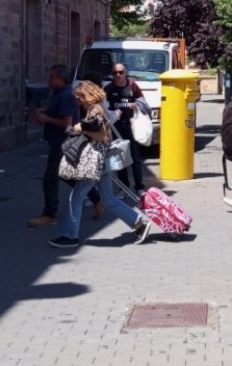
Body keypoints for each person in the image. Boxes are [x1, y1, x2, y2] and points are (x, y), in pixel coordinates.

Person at [49, 81, 151, 248]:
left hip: (95, 160)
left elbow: (101, 134)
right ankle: (139, 223)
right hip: (102, 159)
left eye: (79, 98)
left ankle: (70, 236)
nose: (78, 102)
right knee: (108, 199)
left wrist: (80, 127)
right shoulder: (100, 106)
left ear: (86, 96)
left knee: (76, 197)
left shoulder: (94, 109)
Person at [29, 64, 80, 227]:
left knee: (50, 179)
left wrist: (46, 119)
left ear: (61, 79)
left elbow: (66, 123)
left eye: (52, 77)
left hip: (62, 142)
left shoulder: (65, 95)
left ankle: (49, 214)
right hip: (59, 141)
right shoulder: (58, 93)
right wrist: (45, 111)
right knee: (65, 175)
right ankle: (95, 197)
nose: (49, 80)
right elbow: (57, 111)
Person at [103, 63, 147, 195]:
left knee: (135, 158)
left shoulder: (132, 85)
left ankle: (139, 187)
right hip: (116, 127)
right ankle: (124, 188)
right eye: (115, 73)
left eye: (120, 72)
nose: (118, 75)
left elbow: (144, 103)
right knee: (120, 158)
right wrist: (112, 113)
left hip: (131, 125)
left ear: (125, 72)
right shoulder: (109, 88)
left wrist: (136, 105)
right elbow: (103, 107)